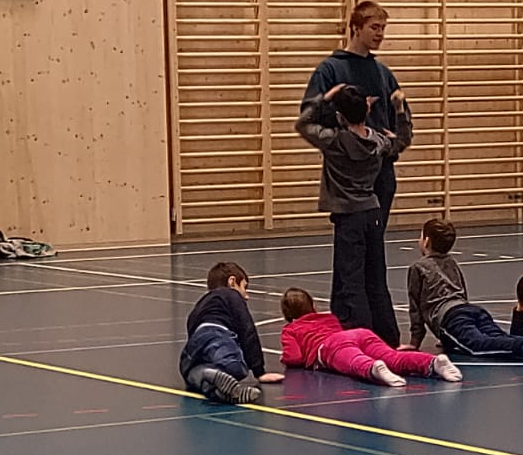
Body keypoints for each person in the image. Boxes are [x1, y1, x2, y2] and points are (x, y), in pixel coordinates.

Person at [296, 83, 411, 347]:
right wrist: (399, 110)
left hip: (348, 215)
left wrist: (324, 99)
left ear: (339, 116)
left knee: (351, 281)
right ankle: (388, 336)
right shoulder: (378, 142)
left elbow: (303, 124)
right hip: (373, 212)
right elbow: (402, 141)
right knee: (376, 277)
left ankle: (362, 338)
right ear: (367, 111)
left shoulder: (334, 141)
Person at [301, 2, 406, 233]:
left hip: (379, 169)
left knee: (375, 238)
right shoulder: (330, 70)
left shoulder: (383, 74)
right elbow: (310, 115)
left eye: (383, 28)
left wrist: (393, 143)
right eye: (374, 27)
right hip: (347, 174)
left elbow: (399, 121)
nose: (380, 34)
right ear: (356, 28)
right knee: (351, 241)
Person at [408, 219, 523, 360]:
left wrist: (415, 341)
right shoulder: (451, 262)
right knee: (498, 336)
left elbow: (415, 307)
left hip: (450, 318)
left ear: (426, 241)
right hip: (472, 310)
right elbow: (461, 292)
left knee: (477, 345)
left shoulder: (418, 267)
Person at [279, 287, 462, 387]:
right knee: (393, 357)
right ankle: (432, 362)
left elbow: (295, 357)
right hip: (359, 334)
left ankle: (373, 368)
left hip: (331, 345)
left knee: (353, 361)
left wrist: (285, 358)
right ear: (313, 305)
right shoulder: (329, 317)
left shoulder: (291, 329)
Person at [179, 261, 284, 404]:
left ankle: (215, 387)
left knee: (191, 372)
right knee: (237, 368)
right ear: (232, 282)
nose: (246, 296)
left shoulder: (200, 304)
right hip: (219, 334)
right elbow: (247, 329)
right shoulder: (231, 294)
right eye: (244, 287)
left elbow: (191, 324)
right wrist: (259, 371)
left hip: (196, 340)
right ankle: (215, 377)